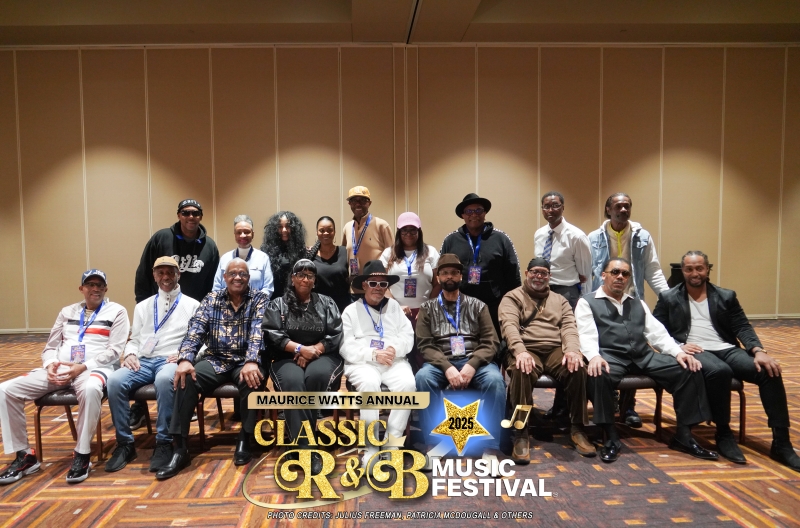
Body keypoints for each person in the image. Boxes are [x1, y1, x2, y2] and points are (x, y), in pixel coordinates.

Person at [653, 251, 800, 471]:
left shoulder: (726, 296)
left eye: (699, 268)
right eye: (689, 269)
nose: (695, 273)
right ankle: (723, 433)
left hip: (727, 348)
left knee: (769, 371)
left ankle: (781, 443)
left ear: (707, 269)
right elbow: (657, 329)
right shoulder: (669, 297)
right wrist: (678, 346)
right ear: (683, 271)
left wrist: (758, 350)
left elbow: (742, 326)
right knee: (719, 371)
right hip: (695, 349)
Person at [575, 257, 716, 464]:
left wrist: (678, 352)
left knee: (688, 369)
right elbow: (586, 334)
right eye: (615, 272)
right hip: (611, 357)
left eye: (625, 274)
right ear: (603, 275)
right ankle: (610, 436)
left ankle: (684, 435)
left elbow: (657, 333)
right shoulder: (587, 302)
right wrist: (594, 356)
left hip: (643, 356)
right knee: (598, 374)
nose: (620, 277)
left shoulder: (637, 303)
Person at [0, 270, 129, 485]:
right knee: (5, 390)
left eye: (100, 285)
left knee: (90, 389)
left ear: (106, 289)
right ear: (81, 289)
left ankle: (82, 454)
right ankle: (25, 455)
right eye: (90, 285)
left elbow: (115, 351)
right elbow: (50, 346)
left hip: (95, 368)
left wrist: (83, 366)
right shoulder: (67, 311)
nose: (95, 289)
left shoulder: (117, 311)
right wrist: (50, 364)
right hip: (61, 369)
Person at [156, 259, 269, 480]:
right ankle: (180, 448)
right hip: (216, 359)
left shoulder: (259, 299)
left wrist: (252, 360)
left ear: (249, 278)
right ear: (225, 277)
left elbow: (259, 332)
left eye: (243, 274)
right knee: (186, 378)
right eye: (233, 273)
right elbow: (195, 330)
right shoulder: (211, 299)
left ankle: (245, 438)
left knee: (252, 380)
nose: (238, 277)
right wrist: (185, 359)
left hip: (245, 361)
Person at [105, 257, 200, 473]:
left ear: (178, 275)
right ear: (154, 276)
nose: (166, 277)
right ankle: (125, 443)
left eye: (170, 272)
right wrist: (130, 353)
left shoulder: (193, 305)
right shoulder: (143, 306)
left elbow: (201, 340)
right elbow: (135, 338)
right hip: (144, 360)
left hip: (171, 359)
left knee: (165, 379)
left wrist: (184, 355)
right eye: (161, 273)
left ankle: (164, 442)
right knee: (114, 381)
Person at [498, 257, 594, 464]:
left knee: (578, 368)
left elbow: (569, 327)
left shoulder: (560, 300)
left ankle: (577, 428)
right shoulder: (512, 297)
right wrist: (520, 351)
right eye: (534, 272)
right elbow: (509, 327)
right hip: (526, 348)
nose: (538, 276)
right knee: (521, 370)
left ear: (549, 276)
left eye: (543, 273)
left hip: (554, 350)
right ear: (526, 273)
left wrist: (572, 351)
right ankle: (521, 432)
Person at [588, 193, 669, 428]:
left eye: (627, 206)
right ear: (608, 209)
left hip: (632, 300)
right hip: (603, 301)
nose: (623, 210)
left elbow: (653, 269)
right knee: (606, 350)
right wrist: (587, 302)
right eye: (618, 206)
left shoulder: (642, 236)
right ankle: (609, 399)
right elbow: (588, 271)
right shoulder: (593, 238)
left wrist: (668, 297)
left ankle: (629, 406)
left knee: (633, 350)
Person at [415, 254, 506, 459]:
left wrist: (472, 364)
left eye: (454, 273)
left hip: (475, 361)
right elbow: (425, 344)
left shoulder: (478, 305)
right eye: (445, 273)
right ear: (438, 277)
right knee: (423, 378)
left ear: (461, 276)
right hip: (440, 362)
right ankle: (433, 442)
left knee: (495, 380)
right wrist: (447, 367)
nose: (449, 277)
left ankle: (490, 446)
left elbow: (491, 341)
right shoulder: (427, 308)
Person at [262, 259, 344, 476]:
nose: (305, 279)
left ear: (315, 280)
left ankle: (296, 439)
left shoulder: (327, 303)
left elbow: (335, 334)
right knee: (293, 382)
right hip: (287, 357)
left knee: (315, 376)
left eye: (310, 275)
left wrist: (312, 351)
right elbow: (272, 334)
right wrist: (299, 349)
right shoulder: (278, 304)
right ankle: (307, 448)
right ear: (293, 278)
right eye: (301, 274)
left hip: (322, 354)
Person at [340, 261, 415, 467]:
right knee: (370, 385)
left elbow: (408, 336)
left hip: (393, 360)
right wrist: (373, 354)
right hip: (362, 363)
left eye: (383, 284)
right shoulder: (350, 311)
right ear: (364, 285)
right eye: (373, 283)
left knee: (408, 384)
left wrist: (394, 349)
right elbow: (346, 346)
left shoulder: (395, 308)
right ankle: (371, 448)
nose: (378, 288)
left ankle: (392, 444)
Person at [535, 191, 592, 424]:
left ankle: (563, 408)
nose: (551, 210)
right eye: (546, 206)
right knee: (547, 343)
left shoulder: (576, 236)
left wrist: (585, 305)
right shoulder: (540, 234)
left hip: (568, 294)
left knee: (567, 349)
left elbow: (586, 273)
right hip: (543, 293)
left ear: (563, 207)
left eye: (555, 205)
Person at [440, 193, 520, 335]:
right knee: (463, 341)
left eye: (478, 210)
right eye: (469, 211)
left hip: (494, 305)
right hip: (460, 305)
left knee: (493, 342)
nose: (474, 215)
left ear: (485, 213)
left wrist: (513, 304)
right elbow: (442, 273)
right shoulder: (450, 240)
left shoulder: (501, 239)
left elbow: (513, 274)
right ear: (463, 215)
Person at [134, 199, 220, 303]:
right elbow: (144, 273)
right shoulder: (161, 238)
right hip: (160, 305)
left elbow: (213, 282)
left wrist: (208, 307)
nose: (191, 217)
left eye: (195, 213)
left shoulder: (210, 246)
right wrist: (143, 303)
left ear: (201, 217)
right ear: (178, 215)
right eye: (185, 213)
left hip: (197, 307)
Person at [379, 212, 441, 318]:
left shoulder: (431, 252)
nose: (408, 234)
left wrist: (428, 307)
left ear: (419, 231)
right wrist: (395, 306)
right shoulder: (388, 253)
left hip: (424, 312)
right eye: (404, 230)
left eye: (413, 230)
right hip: (394, 311)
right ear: (399, 232)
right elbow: (381, 283)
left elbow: (438, 283)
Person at [341, 186, 393, 296]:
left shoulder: (382, 225)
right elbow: (343, 257)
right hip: (353, 290)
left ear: (369, 203)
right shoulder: (347, 227)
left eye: (363, 200)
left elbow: (393, 258)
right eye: (354, 200)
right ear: (349, 203)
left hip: (376, 290)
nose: (358, 204)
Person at [213, 215, 274, 298]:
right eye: (239, 232)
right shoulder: (225, 258)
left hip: (257, 305)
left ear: (252, 234)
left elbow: (268, 288)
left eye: (246, 232)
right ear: (235, 235)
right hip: (226, 305)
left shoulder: (263, 258)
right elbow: (216, 288)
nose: (243, 235)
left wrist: (253, 303)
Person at [261, 211, 311, 299]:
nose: (284, 230)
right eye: (280, 227)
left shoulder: (301, 250)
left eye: (288, 226)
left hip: (295, 299)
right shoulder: (266, 251)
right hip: (273, 299)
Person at [308, 216, 351, 315]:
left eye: (329, 230)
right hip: (318, 310)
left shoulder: (345, 252)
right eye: (322, 230)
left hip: (343, 308)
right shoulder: (310, 255)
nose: (326, 233)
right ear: (317, 232)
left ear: (334, 232)